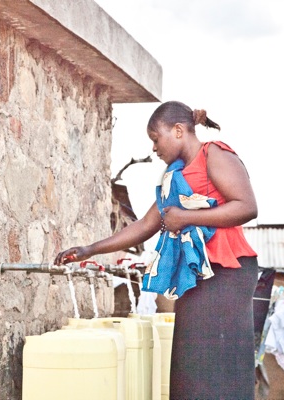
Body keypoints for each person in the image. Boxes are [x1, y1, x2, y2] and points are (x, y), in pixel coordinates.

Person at [55, 100, 259, 400]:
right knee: (189, 367)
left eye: (155, 138)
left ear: (178, 131)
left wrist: (186, 216)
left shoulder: (214, 154)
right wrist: (90, 249)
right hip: (197, 275)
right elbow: (146, 225)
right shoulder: (173, 178)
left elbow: (247, 206)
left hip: (228, 272)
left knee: (220, 366)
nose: (154, 148)